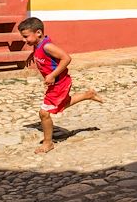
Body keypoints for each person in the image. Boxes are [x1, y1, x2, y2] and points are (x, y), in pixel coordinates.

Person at [18, 17, 103, 154]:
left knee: (44, 113)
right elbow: (38, 50)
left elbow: (66, 58)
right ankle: (88, 95)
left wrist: (52, 75)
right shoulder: (38, 44)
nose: (24, 40)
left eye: (26, 36)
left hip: (59, 83)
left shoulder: (47, 46)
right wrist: (32, 55)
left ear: (38, 33)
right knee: (60, 105)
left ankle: (48, 142)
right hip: (56, 83)